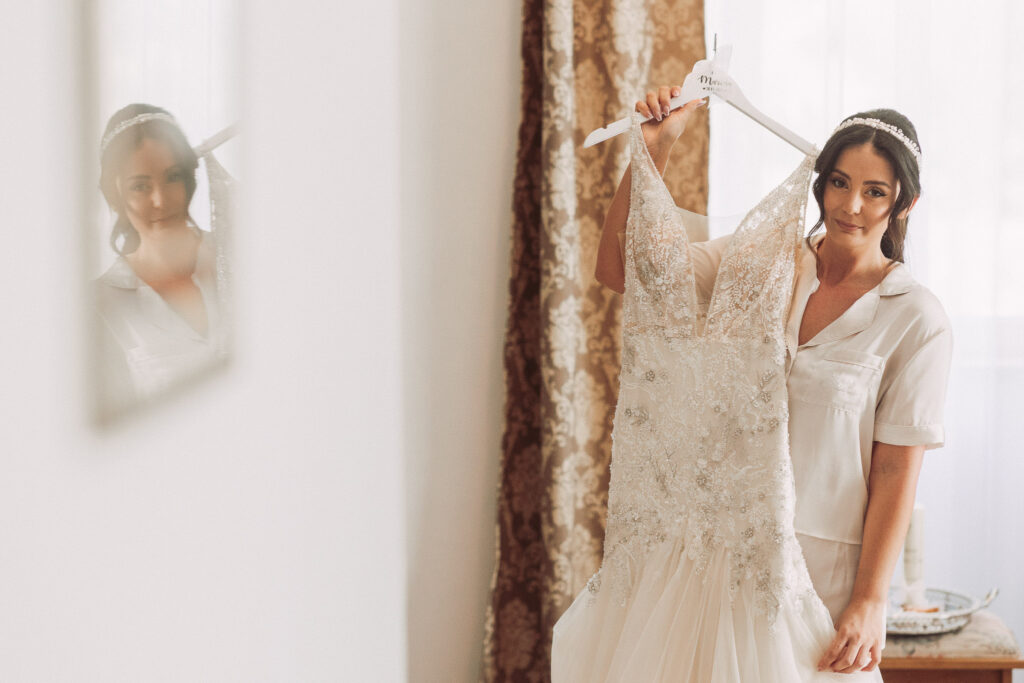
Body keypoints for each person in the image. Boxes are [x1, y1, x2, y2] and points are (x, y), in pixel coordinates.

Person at [589, 86, 952, 675]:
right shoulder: (761, 262)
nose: (851, 205)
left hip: (822, 575)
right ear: (820, 183)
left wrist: (870, 600)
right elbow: (621, 270)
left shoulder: (916, 318)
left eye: (875, 191)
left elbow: (895, 470)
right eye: (840, 183)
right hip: (720, 560)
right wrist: (654, 149)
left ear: (904, 204)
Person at [94, 103, 226, 408]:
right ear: (115, 194)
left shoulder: (238, 255)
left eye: (172, 177)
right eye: (140, 186)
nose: (160, 199)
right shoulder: (101, 305)